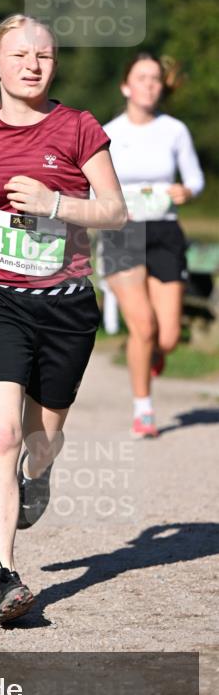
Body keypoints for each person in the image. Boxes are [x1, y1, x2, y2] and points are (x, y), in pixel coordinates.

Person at [0, 14, 126, 625]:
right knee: (0, 434)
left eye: (44, 56)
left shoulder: (78, 128)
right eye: (20, 55)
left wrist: (56, 203)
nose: (33, 65)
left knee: (39, 437)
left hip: (66, 306)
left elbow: (115, 211)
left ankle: (38, 472)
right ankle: (3, 575)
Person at [98, 53, 205, 438]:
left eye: (155, 79)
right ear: (126, 86)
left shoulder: (174, 130)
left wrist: (186, 190)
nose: (149, 84)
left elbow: (195, 179)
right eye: (141, 78)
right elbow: (94, 183)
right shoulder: (108, 132)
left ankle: (153, 356)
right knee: (142, 326)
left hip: (164, 232)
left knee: (168, 336)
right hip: (123, 232)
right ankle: (143, 408)